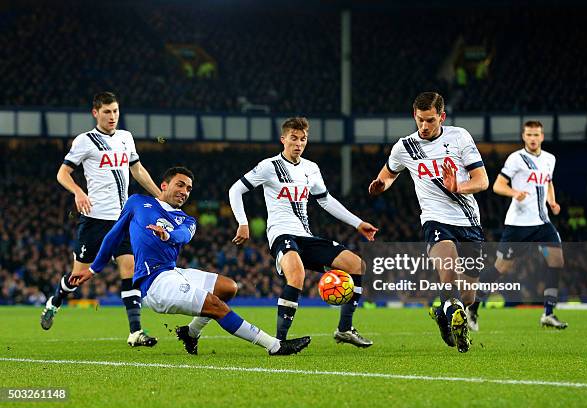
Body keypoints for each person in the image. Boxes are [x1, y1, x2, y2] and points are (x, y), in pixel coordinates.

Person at [69, 167, 310, 356]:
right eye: (180, 185)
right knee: (216, 306)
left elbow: (183, 236)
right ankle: (274, 345)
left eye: (189, 188)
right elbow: (113, 236)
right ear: (164, 185)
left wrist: (168, 234)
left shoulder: (187, 220)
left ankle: (191, 333)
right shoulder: (137, 203)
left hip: (174, 272)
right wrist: (93, 268)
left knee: (229, 288)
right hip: (155, 284)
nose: (185, 191)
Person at [228, 117, 378, 347]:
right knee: (296, 276)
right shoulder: (269, 166)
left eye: (303, 139)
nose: (298, 143)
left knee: (357, 265)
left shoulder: (311, 168)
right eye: (294, 138)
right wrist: (243, 222)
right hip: (281, 234)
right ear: (283, 139)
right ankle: (279, 342)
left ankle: (345, 329)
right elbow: (235, 189)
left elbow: (326, 201)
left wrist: (357, 223)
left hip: (306, 236)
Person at [369, 92, 489, 353]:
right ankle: (453, 314)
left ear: (442, 117)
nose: (424, 126)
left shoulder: (459, 137)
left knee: (467, 296)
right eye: (420, 120)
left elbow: (482, 181)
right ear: (415, 116)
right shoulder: (405, 147)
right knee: (448, 272)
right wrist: (382, 186)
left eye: (430, 121)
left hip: (468, 221)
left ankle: (444, 311)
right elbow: (388, 175)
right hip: (436, 220)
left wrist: (459, 186)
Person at [40, 92, 162, 348]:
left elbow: (137, 169)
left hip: (122, 219)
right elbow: (63, 173)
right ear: (95, 113)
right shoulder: (85, 141)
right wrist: (78, 192)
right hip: (94, 221)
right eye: (107, 112)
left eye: (116, 111)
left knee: (129, 269)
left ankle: (135, 332)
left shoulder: (126, 138)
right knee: (79, 276)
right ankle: (55, 301)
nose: (112, 116)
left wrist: (159, 195)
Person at [467, 121, 567, 330]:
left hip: (542, 223)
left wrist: (552, 201)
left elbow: (548, 182)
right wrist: (515, 193)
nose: (532, 138)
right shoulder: (517, 158)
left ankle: (548, 313)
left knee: (557, 261)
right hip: (519, 225)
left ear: (542, 136)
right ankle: (473, 307)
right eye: (529, 134)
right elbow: (497, 185)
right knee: (501, 268)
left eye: (536, 134)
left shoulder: (550, 159)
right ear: (524, 136)